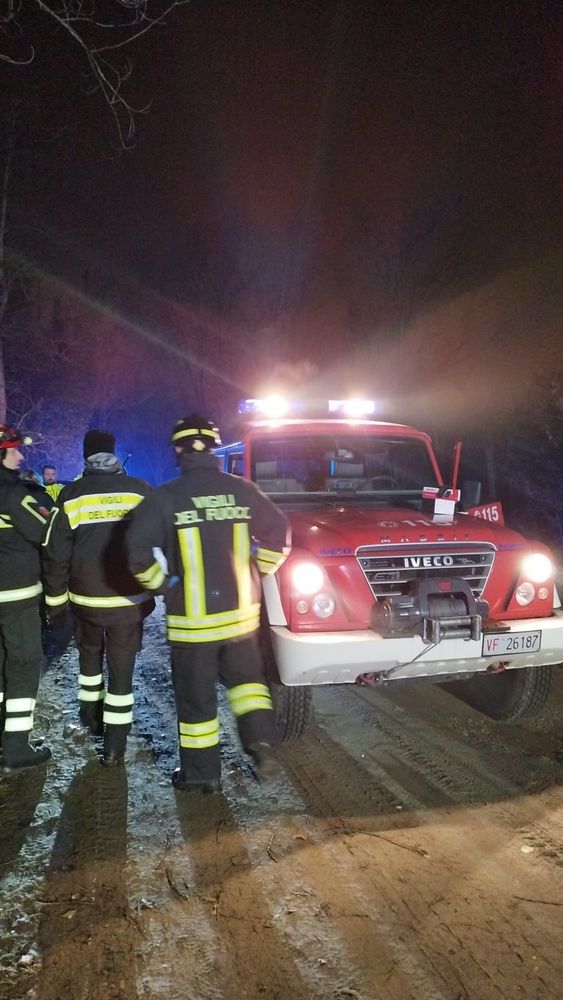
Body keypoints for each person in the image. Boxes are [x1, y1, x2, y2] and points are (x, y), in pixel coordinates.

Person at [127, 414, 290, 793]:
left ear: (177, 450)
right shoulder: (243, 490)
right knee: (248, 684)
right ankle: (261, 743)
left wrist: (165, 586)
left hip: (192, 624)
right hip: (241, 619)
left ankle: (202, 776)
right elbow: (280, 535)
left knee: (196, 701)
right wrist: (256, 573)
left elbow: (136, 553)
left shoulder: (165, 497)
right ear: (214, 448)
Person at [42, 429, 155, 766]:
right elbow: (158, 543)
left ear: (85, 455)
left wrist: (56, 603)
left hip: (85, 602)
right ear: (113, 453)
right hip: (129, 602)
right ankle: (115, 745)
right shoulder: (139, 490)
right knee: (122, 669)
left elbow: (55, 554)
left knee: (89, 663)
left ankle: (91, 720)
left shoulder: (71, 494)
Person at [0, 425, 51, 773]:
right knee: (24, 663)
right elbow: (45, 531)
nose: (19, 456)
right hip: (15, 599)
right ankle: (17, 747)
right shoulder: (13, 495)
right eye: (13, 450)